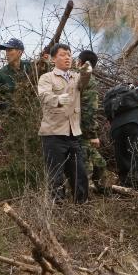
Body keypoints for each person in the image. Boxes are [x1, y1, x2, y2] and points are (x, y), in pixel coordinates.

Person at [37, 44, 89, 203]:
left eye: (69, 54)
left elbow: (84, 83)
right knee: (55, 174)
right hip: (53, 133)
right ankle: (56, 209)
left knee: (79, 173)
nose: (67, 57)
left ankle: (82, 207)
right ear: (53, 59)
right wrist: (57, 99)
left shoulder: (75, 76)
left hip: (73, 133)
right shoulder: (47, 78)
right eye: (62, 55)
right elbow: (43, 95)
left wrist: (87, 71)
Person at [0, 37, 34, 133]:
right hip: (12, 120)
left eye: (10, 50)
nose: (7, 53)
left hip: (33, 116)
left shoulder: (31, 67)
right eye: (6, 51)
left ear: (20, 52)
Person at [77, 50, 108, 189]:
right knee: (87, 163)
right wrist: (93, 135)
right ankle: (85, 195)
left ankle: (97, 188)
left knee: (97, 162)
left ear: (81, 62)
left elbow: (88, 110)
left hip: (80, 129)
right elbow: (89, 111)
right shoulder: (86, 80)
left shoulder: (84, 79)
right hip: (81, 130)